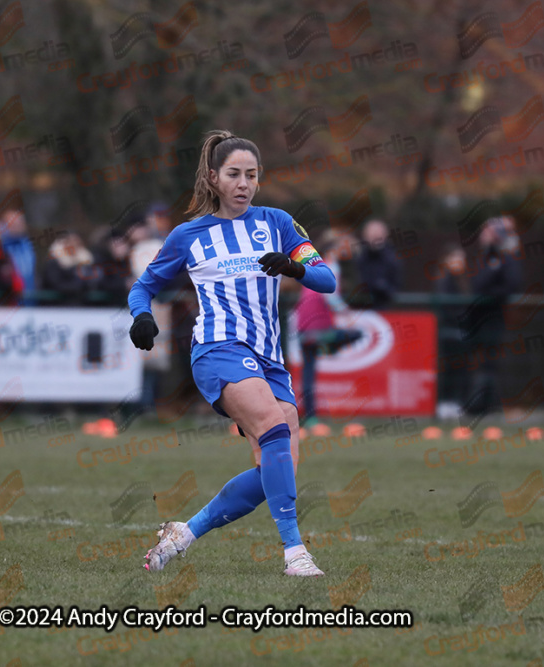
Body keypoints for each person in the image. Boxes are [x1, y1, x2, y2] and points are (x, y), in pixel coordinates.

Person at [128, 131, 336, 577]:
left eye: (252, 175)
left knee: (274, 472)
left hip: (269, 358)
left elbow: (326, 279)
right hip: (218, 349)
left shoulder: (279, 222)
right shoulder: (189, 235)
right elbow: (143, 285)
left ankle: (184, 533)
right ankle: (295, 553)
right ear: (213, 178)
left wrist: (295, 267)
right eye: (234, 175)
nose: (244, 183)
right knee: (274, 426)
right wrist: (142, 316)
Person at [293, 230, 360, 429]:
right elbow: (330, 295)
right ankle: (328, 347)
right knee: (357, 334)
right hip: (319, 324)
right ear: (334, 249)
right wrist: (345, 311)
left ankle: (310, 417)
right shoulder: (332, 266)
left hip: (304, 323)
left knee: (308, 373)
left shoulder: (313, 265)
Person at [462, 216, 522, 417]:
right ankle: (481, 403)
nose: (482, 235)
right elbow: (476, 284)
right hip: (476, 318)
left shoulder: (506, 257)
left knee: (489, 362)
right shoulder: (484, 257)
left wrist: (490, 294)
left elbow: (511, 285)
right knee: (477, 361)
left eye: (487, 232)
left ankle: (485, 405)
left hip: (493, 317)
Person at [435, 244, 470, 419]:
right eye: (455, 258)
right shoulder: (444, 280)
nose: (459, 262)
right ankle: (444, 403)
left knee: (460, 369)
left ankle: (456, 403)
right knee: (447, 368)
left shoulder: (464, 281)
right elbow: (447, 307)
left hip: (461, 333)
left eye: (461, 258)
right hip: (448, 331)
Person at [40, 232, 99, 305]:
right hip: (56, 307)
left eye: (76, 242)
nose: (73, 245)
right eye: (70, 242)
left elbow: (93, 282)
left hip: (80, 306)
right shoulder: (54, 262)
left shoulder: (85, 261)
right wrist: (80, 286)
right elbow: (56, 285)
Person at [355, 219, 401, 309]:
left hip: (386, 309)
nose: (375, 237)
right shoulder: (358, 257)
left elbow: (398, 285)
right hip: (361, 310)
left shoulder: (392, 258)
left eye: (378, 233)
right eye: (372, 234)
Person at [0, 207, 37, 306]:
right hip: (8, 302)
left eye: (19, 223)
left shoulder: (27, 245)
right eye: (13, 224)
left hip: (29, 300)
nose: (17, 226)